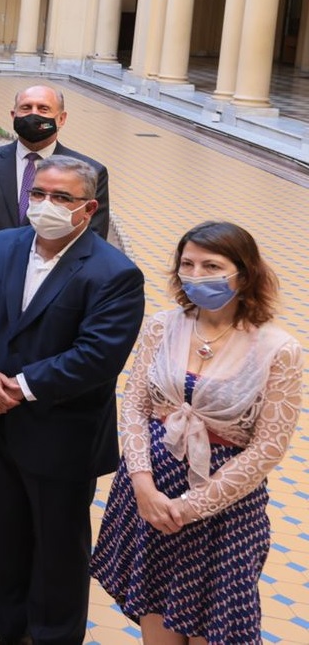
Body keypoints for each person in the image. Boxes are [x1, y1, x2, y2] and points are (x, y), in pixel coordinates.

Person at [0, 156, 144, 645]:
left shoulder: (114, 273)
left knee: (58, 553)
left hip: (60, 434)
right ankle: (6, 632)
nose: (45, 205)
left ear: (88, 208)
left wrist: (18, 386)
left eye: (61, 198)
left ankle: (52, 638)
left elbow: (98, 356)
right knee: (4, 542)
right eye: (38, 194)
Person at [90, 221, 301, 645]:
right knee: (156, 619)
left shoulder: (278, 349)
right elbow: (135, 405)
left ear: (244, 273)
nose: (197, 274)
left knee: (215, 630)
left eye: (212, 265)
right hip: (150, 495)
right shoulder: (163, 326)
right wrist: (144, 485)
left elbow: (267, 449)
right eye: (187, 264)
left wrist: (189, 508)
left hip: (223, 511)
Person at [0, 84, 112, 530]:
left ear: (61, 118)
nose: (34, 114)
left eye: (44, 108)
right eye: (26, 107)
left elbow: (90, 244)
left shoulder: (89, 170)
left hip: (51, 309)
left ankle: (20, 477)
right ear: (12, 112)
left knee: (27, 400)